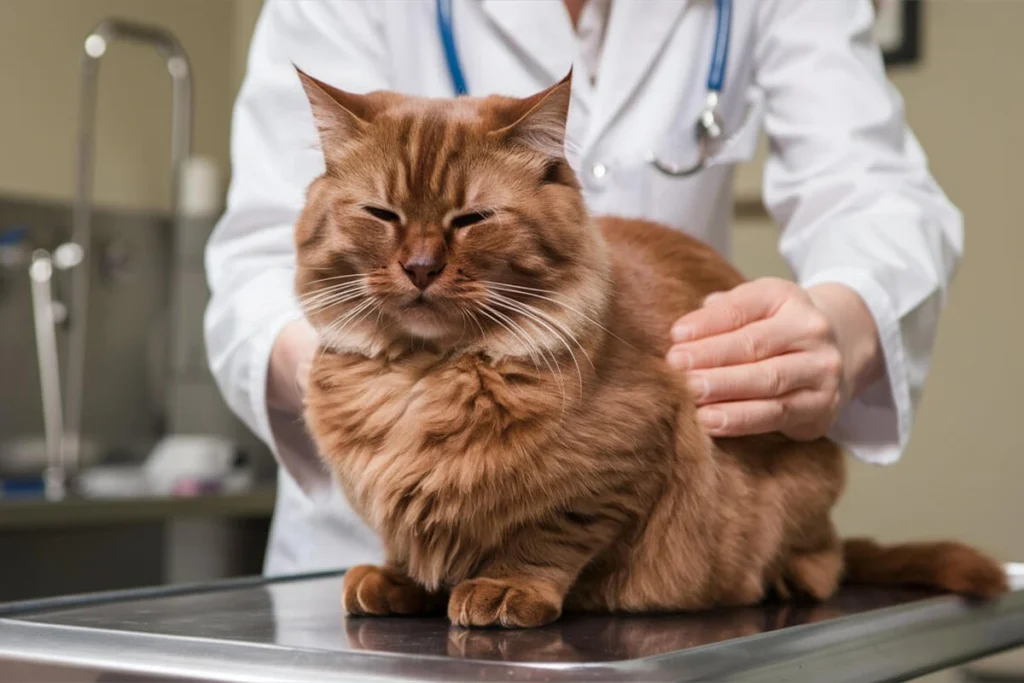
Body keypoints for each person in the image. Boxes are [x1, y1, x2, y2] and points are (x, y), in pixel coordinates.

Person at [205, 0, 963, 576]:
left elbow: (874, 190)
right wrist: (372, 387)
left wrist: (842, 322)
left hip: (636, 511)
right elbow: (253, 259)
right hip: (357, 545)